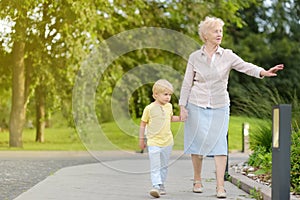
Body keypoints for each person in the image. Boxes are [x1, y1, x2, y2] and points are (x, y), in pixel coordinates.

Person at [179, 16, 284, 198]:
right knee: (197, 143)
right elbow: (187, 83)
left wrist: (263, 72)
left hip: (220, 105)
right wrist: (182, 106)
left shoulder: (227, 55)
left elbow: (245, 66)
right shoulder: (195, 57)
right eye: (215, 31)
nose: (219, 34)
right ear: (205, 35)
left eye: (221, 31)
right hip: (196, 103)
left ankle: (220, 187)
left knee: (220, 144)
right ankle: (197, 180)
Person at [139, 79, 182, 198]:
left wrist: (181, 118)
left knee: (164, 165)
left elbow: (170, 118)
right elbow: (143, 124)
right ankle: (156, 186)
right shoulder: (149, 108)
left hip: (167, 141)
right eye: (165, 94)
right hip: (153, 141)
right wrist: (141, 139)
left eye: (169, 95)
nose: (168, 97)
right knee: (155, 164)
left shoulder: (169, 106)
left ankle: (161, 183)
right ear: (155, 95)